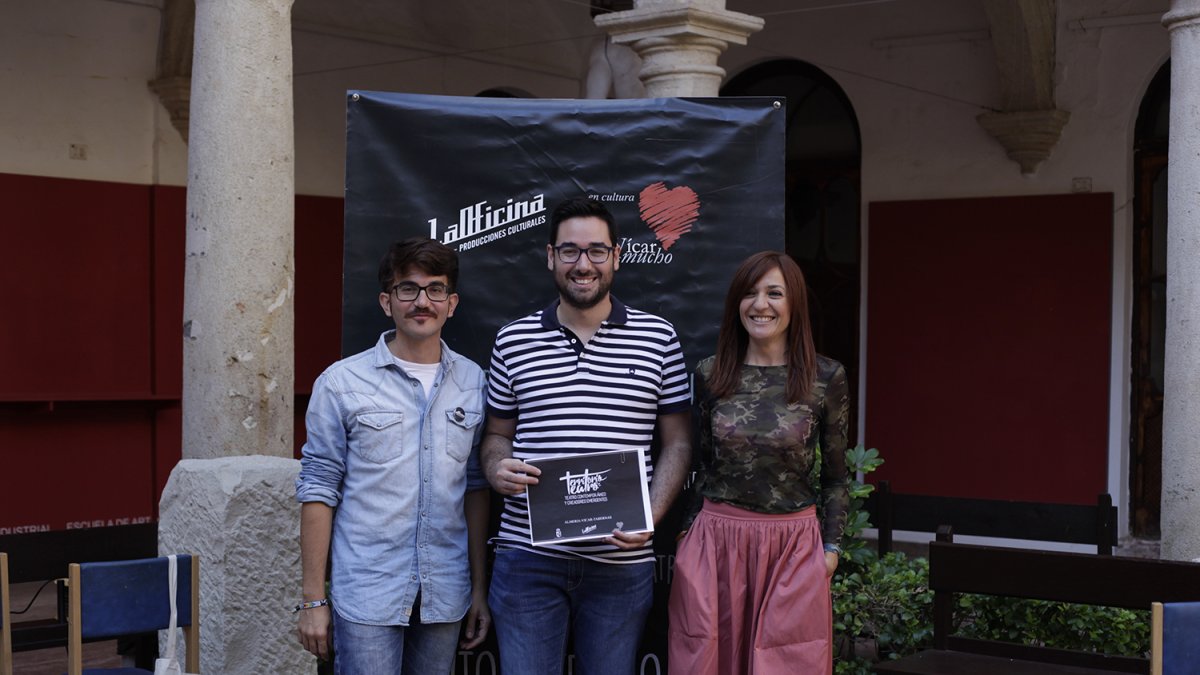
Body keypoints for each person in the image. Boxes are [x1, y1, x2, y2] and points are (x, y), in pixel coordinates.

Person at [482, 196, 692, 675]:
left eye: (597, 251)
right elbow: (496, 434)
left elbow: (678, 442)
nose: (584, 264)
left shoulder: (658, 337)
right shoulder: (512, 340)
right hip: (526, 557)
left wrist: (652, 515)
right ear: (551, 257)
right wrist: (497, 467)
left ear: (616, 257)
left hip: (620, 564)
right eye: (571, 251)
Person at [294, 238, 490, 674]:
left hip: (445, 595)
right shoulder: (341, 383)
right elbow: (318, 491)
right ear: (387, 302)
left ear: (452, 303)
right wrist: (312, 599)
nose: (422, 301)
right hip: (367, 592)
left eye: (435, 289)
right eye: (408, 289)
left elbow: (475, 490)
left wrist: (479, 588)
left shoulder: (474, 381)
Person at [668, 251, 850, 675]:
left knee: (787, 664)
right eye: (750, 293)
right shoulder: (711, 374)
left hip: (792, 548)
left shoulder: (826, 377)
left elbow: (838, 478)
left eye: (774, 293)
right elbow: (703, 466)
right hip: (715, 545)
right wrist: (684, 538)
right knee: (706, 662)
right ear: (736, 303)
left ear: (794, 304)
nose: (760, 304)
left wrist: (831, 552)